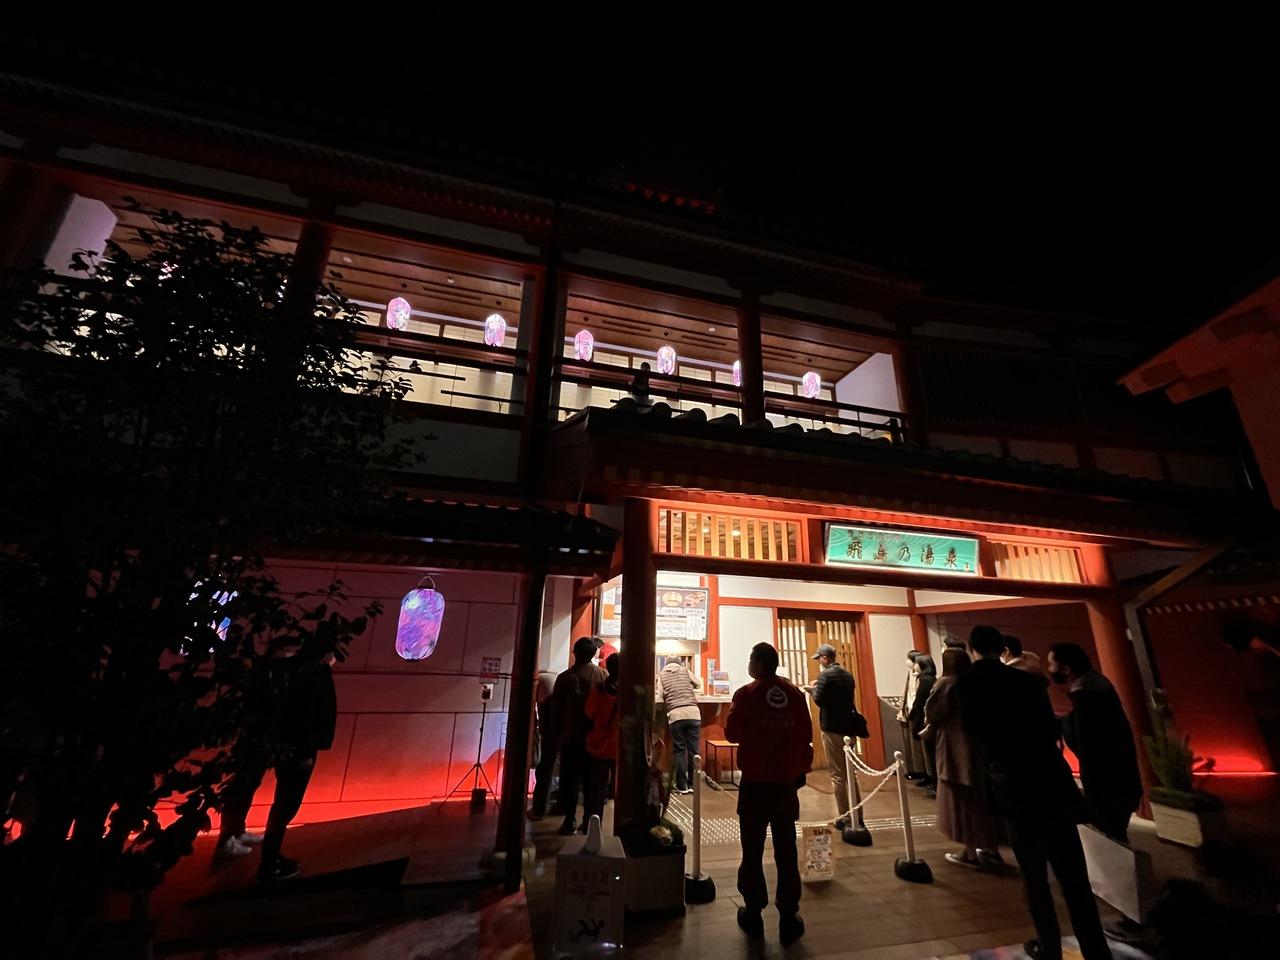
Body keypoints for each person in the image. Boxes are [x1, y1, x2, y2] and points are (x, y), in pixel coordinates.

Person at [958, 625, 1112, 960]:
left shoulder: (969, 681)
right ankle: (1096, 949)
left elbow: (972, 729)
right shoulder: (1030, 681)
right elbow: (1050, 727)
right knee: (1073, 872)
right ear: (1001, 649)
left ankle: (1049, 945)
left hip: (1013, 784)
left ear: (972, 649)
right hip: (1050, 778)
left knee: (1033, 872)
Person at [725, 643, 814, 946]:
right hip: (785, 786)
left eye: (751, 659)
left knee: (752, 851)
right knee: (786, 851)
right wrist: (799, 769)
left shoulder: (746, 694)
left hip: (755, 785)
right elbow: (806, 736)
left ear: (760, 664)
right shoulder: (795, 695)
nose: (749, 664)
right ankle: (789, 916)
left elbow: (732, 733)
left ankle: (753, 913)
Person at [258, 637, 344, 882]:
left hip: (291, 746)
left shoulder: (295, 673)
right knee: (286, 804)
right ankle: (269, 863)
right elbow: (309, 714)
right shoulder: (313, 676)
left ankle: (272, 856)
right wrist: (305, 750)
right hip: (299, 749)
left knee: (284, 803)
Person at [1048, 642, 1143, 844]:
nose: (1049, 669)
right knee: (1115, 829)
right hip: (1122, 774)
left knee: (1109, 833)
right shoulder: (1099, 687)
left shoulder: (1086, 698)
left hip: (1105, 780)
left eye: (1051, 664)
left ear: (1066, 669)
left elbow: (1087, 742)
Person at [921, 647, 1005, 869]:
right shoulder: (975, 682)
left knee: (961, 802)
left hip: (954, 747)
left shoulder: (946, 683)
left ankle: (970, 852)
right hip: (979, 747)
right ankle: (991, 848)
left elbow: (933, 712)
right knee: (981, 800)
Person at [551, 637, 606, 835]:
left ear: (575, 653)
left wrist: (557, 735)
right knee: (593, 784)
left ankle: (569, 821)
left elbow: (556, 710)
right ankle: (590, 823)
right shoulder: (603, 675)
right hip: (595, 738)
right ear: (593, 654)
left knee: (570, 781)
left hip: (570, 737)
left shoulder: (564, 678)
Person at [802, 643, 857, 824]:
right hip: (850, 728)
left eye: (819, 659)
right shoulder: (848, 675)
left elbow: (819, 700)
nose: (819, 662)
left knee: (837, 775)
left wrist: (812, 690)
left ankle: (844, 816)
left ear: (825, 658)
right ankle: (858, 814)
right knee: (851, 774)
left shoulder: (825, 675)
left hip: (832, 728)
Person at [582, 654, 621, 831]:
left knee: (596, 791)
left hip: (598, 745)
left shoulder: (599, 689)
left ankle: (592, 827)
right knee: (623, 791)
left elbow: (588, 713)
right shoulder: (628, 690)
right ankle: (622, 830)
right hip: (620, 747)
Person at [657, 656, 701, 794]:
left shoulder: (662, 675)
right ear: (679, 663)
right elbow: (698, 683)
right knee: (694, 751)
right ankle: (694, 785)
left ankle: (682, 786)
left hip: (676, 715)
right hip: (693, 713)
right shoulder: (685, 670)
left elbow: (660, 695)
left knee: (680, 750)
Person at [527, 667, 560, 821]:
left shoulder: (537, 681)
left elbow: (532, 711)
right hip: (567, 726)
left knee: (545, 767)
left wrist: (535, 729)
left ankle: (538, 809)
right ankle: (562, 806)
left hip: (551, 727)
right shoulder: (554, 676)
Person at [908, 654, 938, 791]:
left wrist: (912, 714)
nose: (914, 665)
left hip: (924, 720)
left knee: (931, 754)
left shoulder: (925, 680)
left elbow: (919, 701)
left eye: (916, 663)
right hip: (927, 719)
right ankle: (932, 780)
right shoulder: (931, 679)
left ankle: (935, 782)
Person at [897, 650, 927, 778]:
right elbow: (906, 691)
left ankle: (924, 772)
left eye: (908, 659)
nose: (907, 661)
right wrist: (902, 708)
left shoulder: (922, 677)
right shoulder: (909, 673)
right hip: (908, 710)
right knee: (910, 744)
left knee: (920, 744)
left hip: (917, 711)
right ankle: (915, 770)